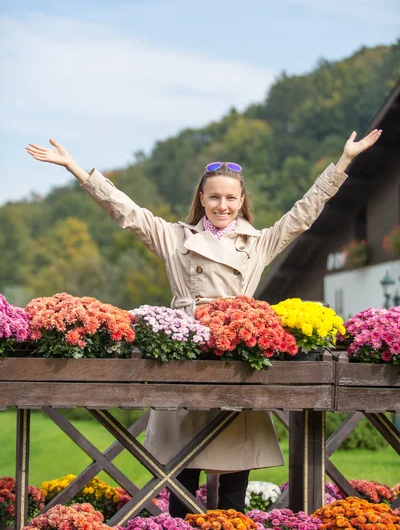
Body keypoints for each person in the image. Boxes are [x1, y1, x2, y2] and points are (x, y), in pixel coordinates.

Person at [26, 129, 381, 515]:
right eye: (214, 196)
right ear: (201, 198)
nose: (222, 205)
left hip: (239, 352)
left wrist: (344, 160)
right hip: (188, 354)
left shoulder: (258, 242)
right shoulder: (175, 237)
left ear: (242, 200)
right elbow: (125, 211)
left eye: (230, 197)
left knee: (233, 480)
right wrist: (76, 168)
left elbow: (305, 212)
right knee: (181, 475)